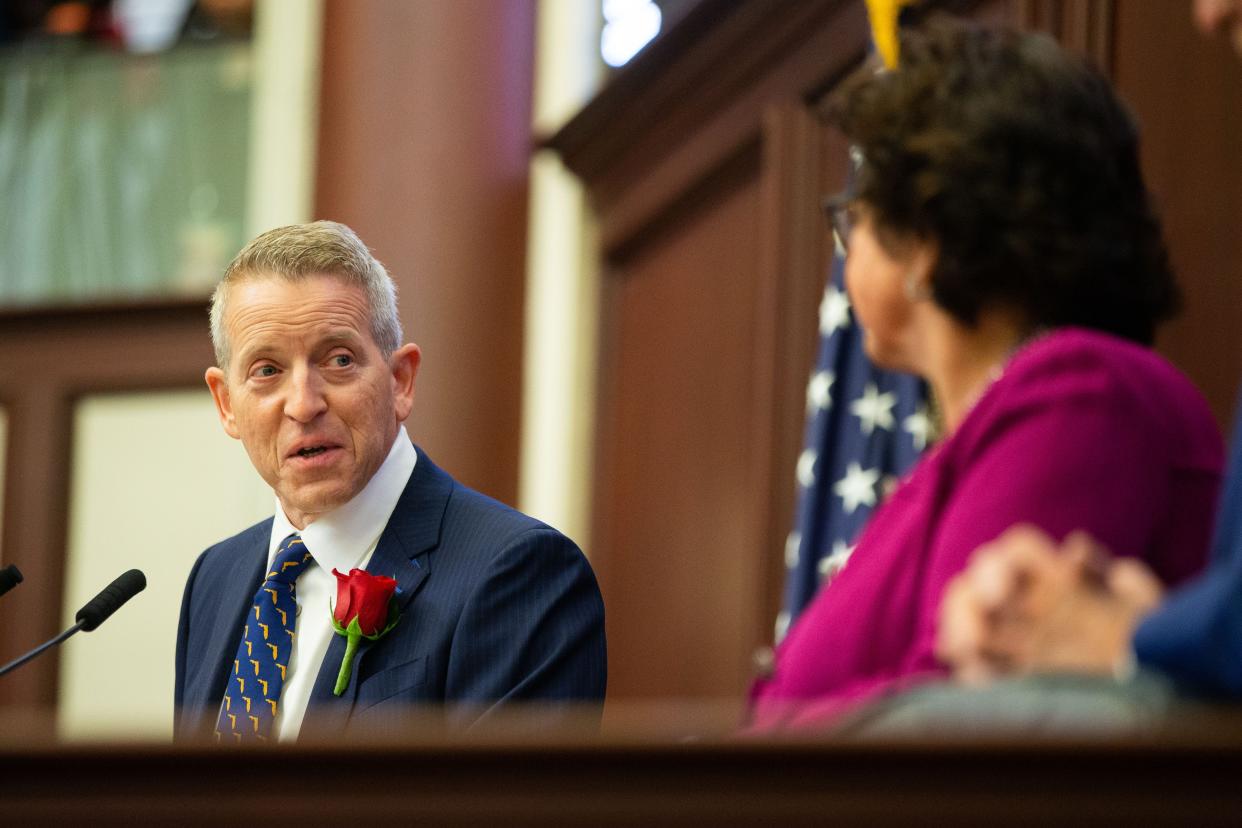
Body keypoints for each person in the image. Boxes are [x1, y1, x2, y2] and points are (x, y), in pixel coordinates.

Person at [747, 19, 1224, 731]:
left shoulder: (1082, 393)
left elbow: (966, 702)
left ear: (928, 242)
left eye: (855, 220)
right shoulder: (983, 435)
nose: (844, 252)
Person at [174, 221, 606, 743]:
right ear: (226, 405)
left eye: (339, 360)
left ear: (401, 381)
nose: (304, 404)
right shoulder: (215, 579)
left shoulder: (521, 573)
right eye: (267, 370)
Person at [935, 0, 1242, 699]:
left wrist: (1130, 639)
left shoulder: (1083, 383)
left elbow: (956, 675)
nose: (1210, 13)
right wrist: (1145, 624)